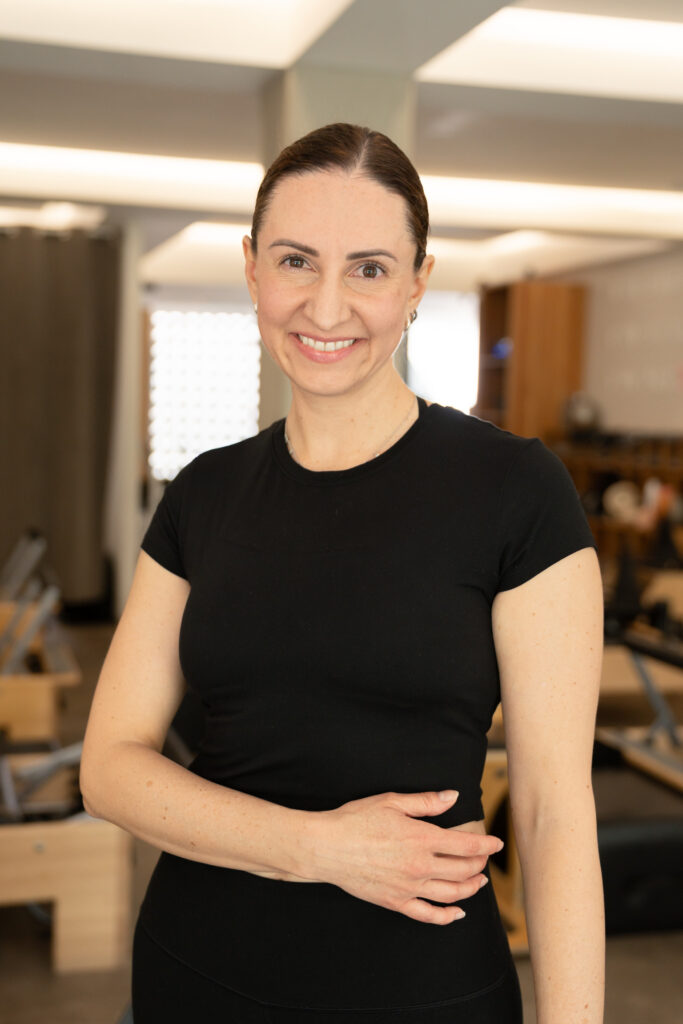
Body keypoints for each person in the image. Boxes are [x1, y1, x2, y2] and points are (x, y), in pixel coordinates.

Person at [81, 123, 605, 1023]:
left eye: (367, 269)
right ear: (252, 270)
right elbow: (109, 768)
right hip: (193, 977)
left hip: (424, 993)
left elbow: (554, 817)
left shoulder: (515, 490)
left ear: (416, 283)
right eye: (295, 261)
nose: (326, 309)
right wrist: (319, 849)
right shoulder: (204, 493)